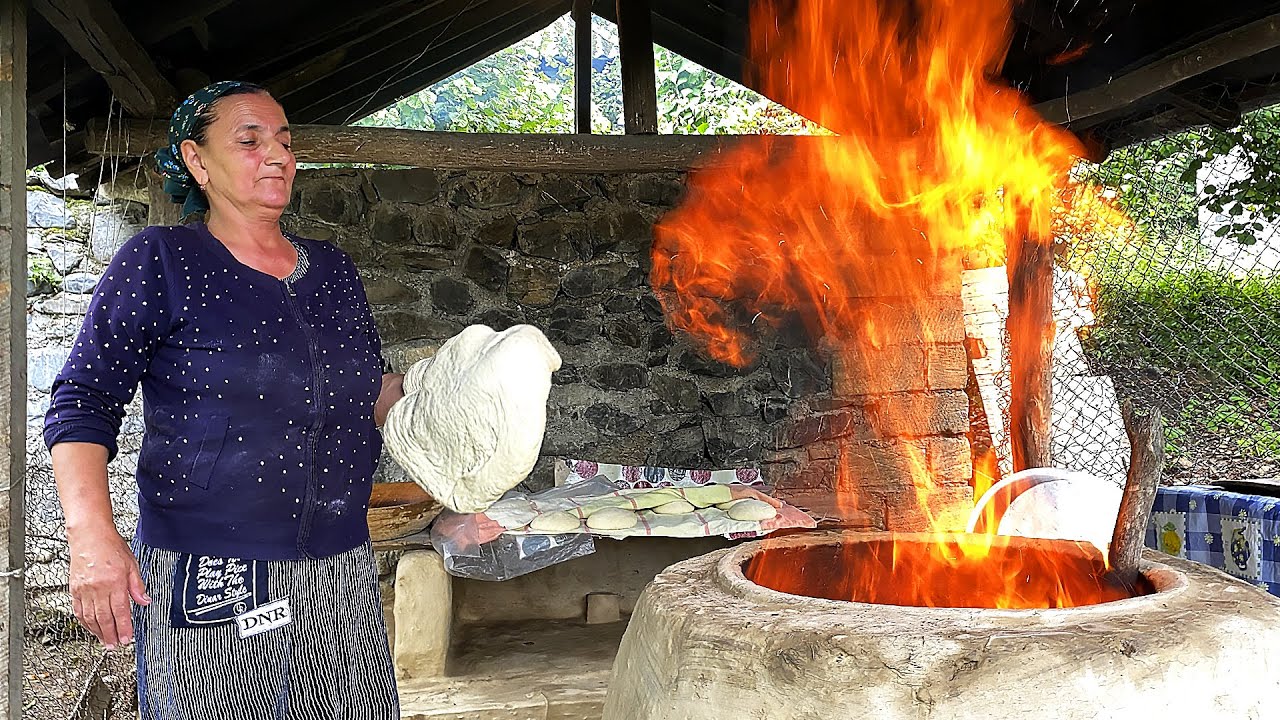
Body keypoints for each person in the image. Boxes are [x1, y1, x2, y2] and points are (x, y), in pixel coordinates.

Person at [43, 81, 406, 718]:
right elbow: (83, 398)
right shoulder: (162, 260)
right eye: (250, 140)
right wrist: (91, 537)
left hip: (342, 566)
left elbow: (368, 394)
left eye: (285, 141)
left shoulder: (333, 271)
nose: (278, 156)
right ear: (197, 160)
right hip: (215, 573)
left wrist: (459, 405)